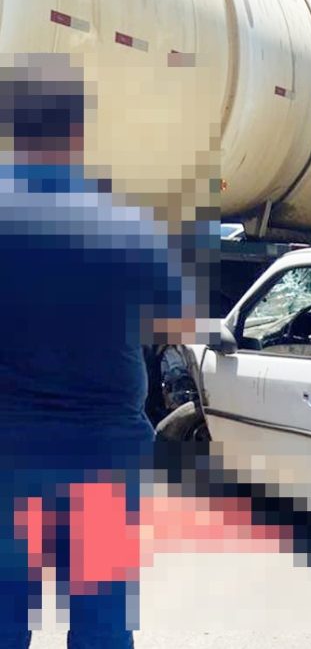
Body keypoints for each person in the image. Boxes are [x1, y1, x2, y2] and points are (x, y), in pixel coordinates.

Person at [0, 54, 212, 649]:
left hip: (10, 453)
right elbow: (176, 320)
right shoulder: (122, 221)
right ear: (77, 131)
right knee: (100, 622)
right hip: (102, 455)